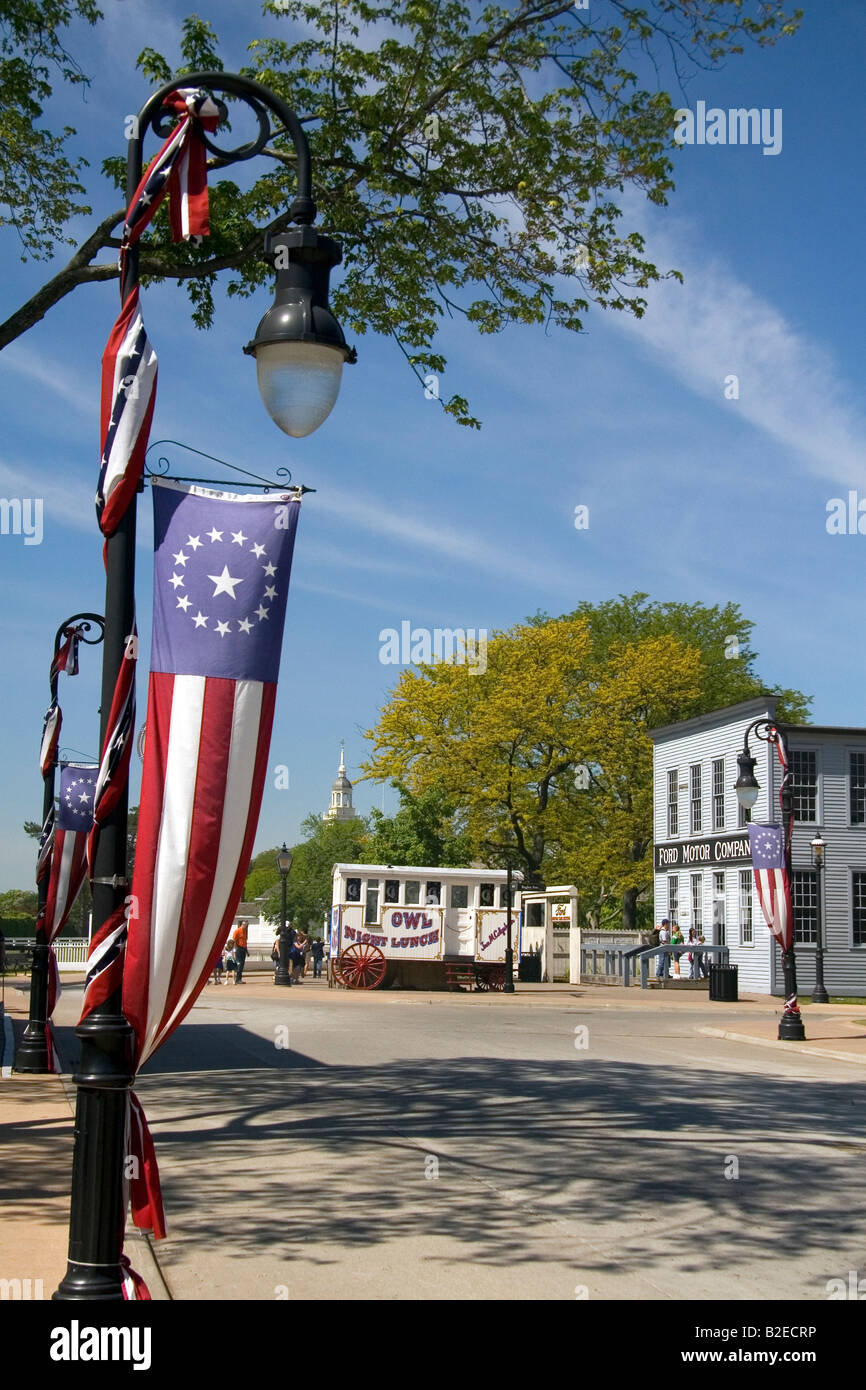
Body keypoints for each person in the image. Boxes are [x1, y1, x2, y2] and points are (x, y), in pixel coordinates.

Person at [656, 918, 671, 983]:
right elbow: (665, 941)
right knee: (662, 962)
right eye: (668, 924)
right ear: (665, 924)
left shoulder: (665, 932)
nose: (669, 926)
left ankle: (666, 974)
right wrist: (669, 949)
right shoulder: (663, 932)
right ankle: (658, 974)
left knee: (666, 962)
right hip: (663, 949)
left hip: (665, 949)